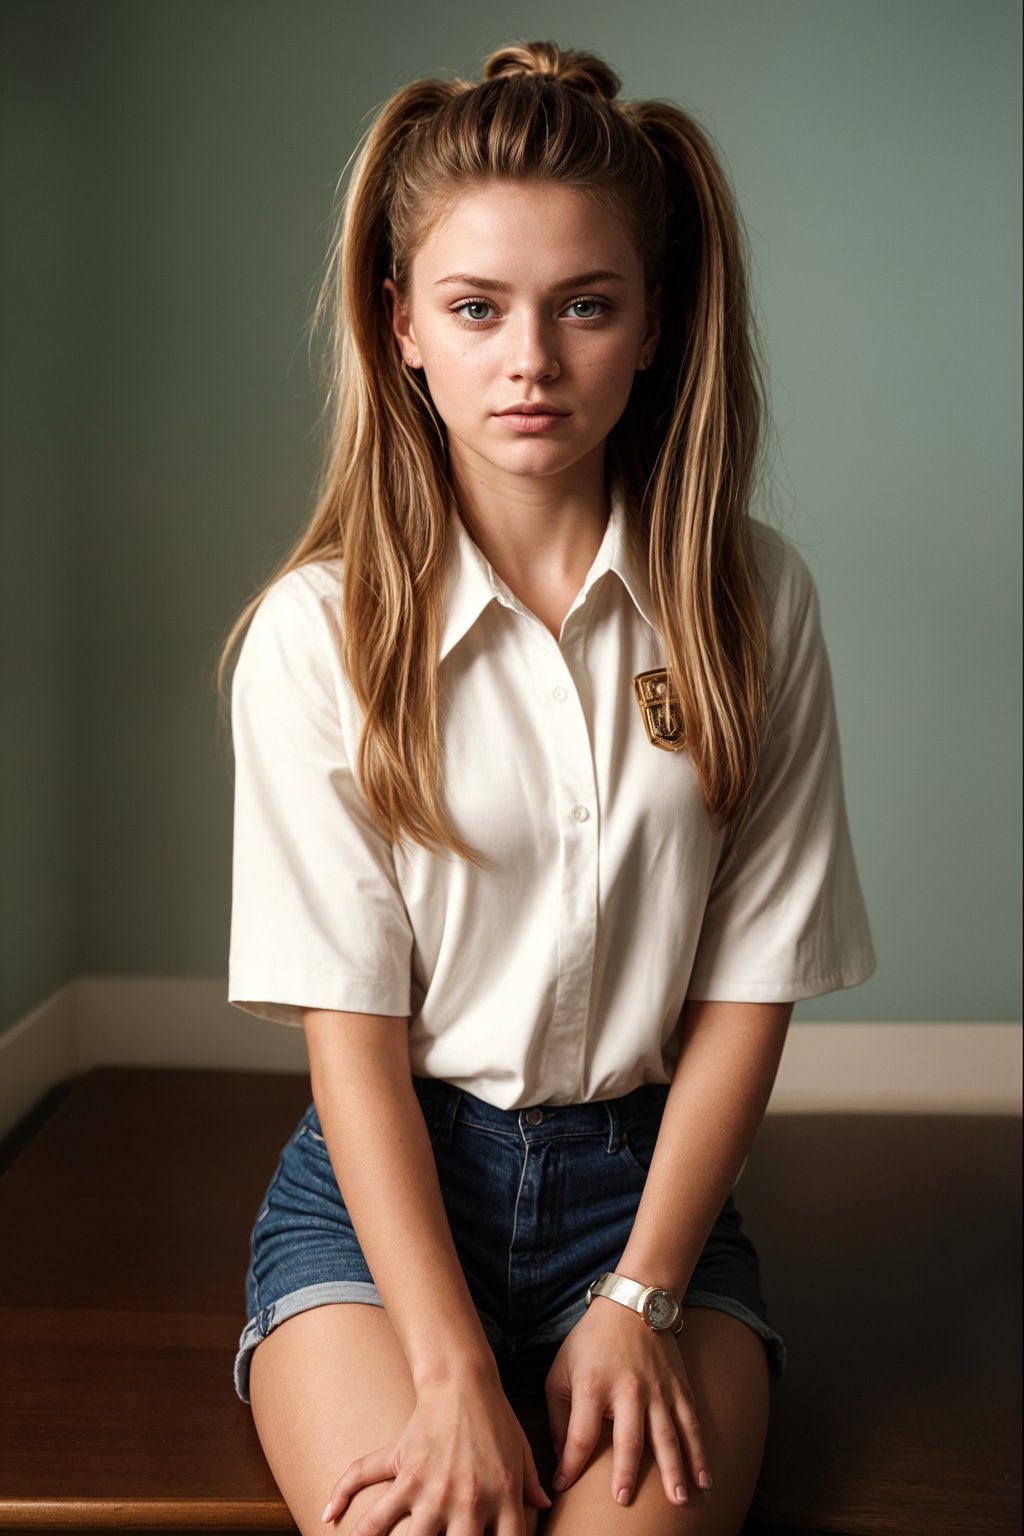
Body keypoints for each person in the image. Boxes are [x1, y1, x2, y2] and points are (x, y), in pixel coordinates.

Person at [219, 39, 876, 1536]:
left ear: (650, 330)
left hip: (647, 1206)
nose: (532, 359)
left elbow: (751, 989)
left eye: (586, 305)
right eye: (476, 307)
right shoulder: (317, 636)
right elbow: (353, 1037)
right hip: (385, 1201)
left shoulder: (754, 602)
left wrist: (641, 1291)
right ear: (402, 328)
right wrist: (447, 1364)